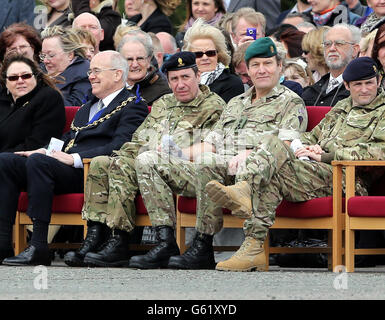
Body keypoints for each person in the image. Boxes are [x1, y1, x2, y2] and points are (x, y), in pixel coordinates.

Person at [132, 37, 308, 270]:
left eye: (267, 64)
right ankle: (165, 241)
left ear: (279, 67)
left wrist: (249, 153)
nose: (262, 70)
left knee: (207, 162)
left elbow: (285, 144)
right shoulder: (236, 103)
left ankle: (203, 243)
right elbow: (211, 143)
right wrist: (178, 154)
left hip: (251, 175)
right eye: (255, 65)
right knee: (148, 160)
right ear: (247, 69)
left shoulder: (290, 102)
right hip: (214, 168)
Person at [209, 56, 385, 272]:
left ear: (379, 80)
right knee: (273, 147)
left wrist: (327, 155)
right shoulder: (342, 107)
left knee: (273, 164)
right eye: (358, 84)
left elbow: (380, 150)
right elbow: (313, 136)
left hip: (349, 179)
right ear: (347, 86)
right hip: (314, 171)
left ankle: (246, 191)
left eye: (370, 82)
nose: (365, 89)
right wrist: (306, 147)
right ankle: (253, 246)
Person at [63, 51, 224, 268]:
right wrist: (119, 158)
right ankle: (111, 239)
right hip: (146, 164)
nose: (180, 84)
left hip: (186, 170)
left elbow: (212, 148)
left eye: (185, 77)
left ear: (197, 76)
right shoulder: (163, 104)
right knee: (103, 162)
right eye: (174, 79)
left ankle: (165, 240)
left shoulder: (214, 105)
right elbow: (139, 140)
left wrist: (169, 154)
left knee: (148, 159)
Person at [0, 50, 148, 266]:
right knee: (6, 161)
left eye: (97, 71)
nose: (90, 76)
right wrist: (45, 150)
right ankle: (3, 242)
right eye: (90, 71)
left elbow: (120, 146)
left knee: (38, 164)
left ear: (117, 75)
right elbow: (69, 137)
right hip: (63, 167)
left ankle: (39, 245)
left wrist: (76, 158)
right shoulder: (87, 107)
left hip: (93, 171)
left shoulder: (134, 105)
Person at [0, 54, 65, 153]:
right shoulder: (2, 99)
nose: (20, 81)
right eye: (13, 78)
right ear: (6, 81)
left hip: (26, 159)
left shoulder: (48, 97)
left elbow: (38, 142)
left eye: (26, 76)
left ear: (36, 77)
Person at [183, 19, 244, 103]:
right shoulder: (182, 81)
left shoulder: (232, 83)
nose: (205, 57)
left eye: (210, 53)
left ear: (219, 55)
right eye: (198, 54)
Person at [302, 23, 361, 107]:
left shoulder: (362, 90)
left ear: (355, 50)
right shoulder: (310, 92)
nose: (332, 48)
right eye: (327, 44)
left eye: (339, 43)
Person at [40, 26, 91, 106]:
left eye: (51, 55)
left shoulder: (85, 74)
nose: (45, 61)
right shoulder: (39, 71)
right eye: (43, 55)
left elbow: (74, 108)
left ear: (70, 55)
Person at [118, 34, 171, 105]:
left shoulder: (164, 92)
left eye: (140, 58)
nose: (135, 65)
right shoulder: (111, 86)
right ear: (120, 62)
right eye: (129, 59)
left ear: (149, 60)